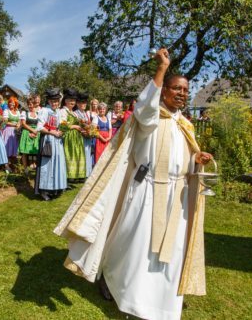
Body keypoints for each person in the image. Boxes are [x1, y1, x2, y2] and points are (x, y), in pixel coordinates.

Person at [54, 48, 213, 320]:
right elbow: (144, 106)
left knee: (171, 249)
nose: (182, 94)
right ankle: (119, 285)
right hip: (148, 190)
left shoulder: (186, 125)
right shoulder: (151, 118)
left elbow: (183, 158)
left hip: (176, 195)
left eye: (186, 90)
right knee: (135, 245)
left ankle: (161, 300)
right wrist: (162, 69)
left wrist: (196, 158)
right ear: (164, 91)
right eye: (176, 88)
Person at [34, 88, 67, 201]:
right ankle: (44, 190)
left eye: (57, 101)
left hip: (57, 140)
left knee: (57, 164)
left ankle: (55, 187)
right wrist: (51, 132)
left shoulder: (58, 112)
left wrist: (61, 130)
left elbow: (61, 124)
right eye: (53, 101)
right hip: (48, 140)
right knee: (47, 165)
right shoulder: (44, 111)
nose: (55, 103)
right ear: (48, 101)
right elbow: (39, 127)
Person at [60, 88, 86, 181]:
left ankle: (74, 176)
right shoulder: (63, 111)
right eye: (70, 100)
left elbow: (79, 124)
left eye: (74, 100)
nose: (72, 102)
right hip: (69, 137)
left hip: (76, 137)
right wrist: (75, 126)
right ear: (65, 101)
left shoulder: (73, 113)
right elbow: (62, 124)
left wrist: (83, 128)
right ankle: (67, 177)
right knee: (69, 155)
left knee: (76, 156)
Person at [74, 92, 93, 178]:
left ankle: (87, 173)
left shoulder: (86, 113)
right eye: (82, 103)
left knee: (87, 153)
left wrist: (91, 131)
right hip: (79, 136)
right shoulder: (76, 113)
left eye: (85, 103)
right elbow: (77, 125)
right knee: (82, 155)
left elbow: (89, 124)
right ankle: (81, 174)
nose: (84, 104)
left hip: (87, 136)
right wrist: (84, 130)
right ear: (77, 104)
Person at [19, 97, 40, 174]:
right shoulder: (24, 113)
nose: (30, 106)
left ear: (35, 104)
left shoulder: (38, 113)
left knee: (35, 150)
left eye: (32, 104)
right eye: (29, 104)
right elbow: (24, 124)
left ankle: (35, 165)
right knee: (25, 151)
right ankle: (25, 169)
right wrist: (32, 131)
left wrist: (36, 131)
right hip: (27, 132)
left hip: (36, 132)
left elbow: (40, 124)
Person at [2, 97, 21, 165]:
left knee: (15, 147)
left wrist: (19, 124)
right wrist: (15, 124)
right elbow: (5, 122)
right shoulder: (6, 111)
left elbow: (20, 120)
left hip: (16, 131)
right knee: (8, 146)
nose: (11, 103)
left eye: (13, 102)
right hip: (8, 130)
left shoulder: (18, 111)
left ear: (15, 103)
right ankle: (6, 164)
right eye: (10, 102)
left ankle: (13, 164)